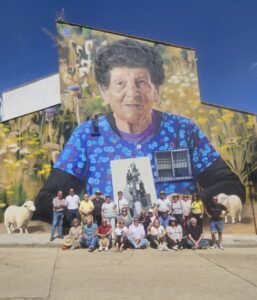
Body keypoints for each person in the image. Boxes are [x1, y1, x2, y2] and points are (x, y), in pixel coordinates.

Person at [36, 38, 245, 219]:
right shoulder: (87, 135)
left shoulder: (183, 131)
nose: (132, 93)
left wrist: (190, 202)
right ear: (105, 92)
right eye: (120, 83)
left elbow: (231, 185)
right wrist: (91, 211)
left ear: (156, 90)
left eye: (141, 82)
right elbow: (45, 200)